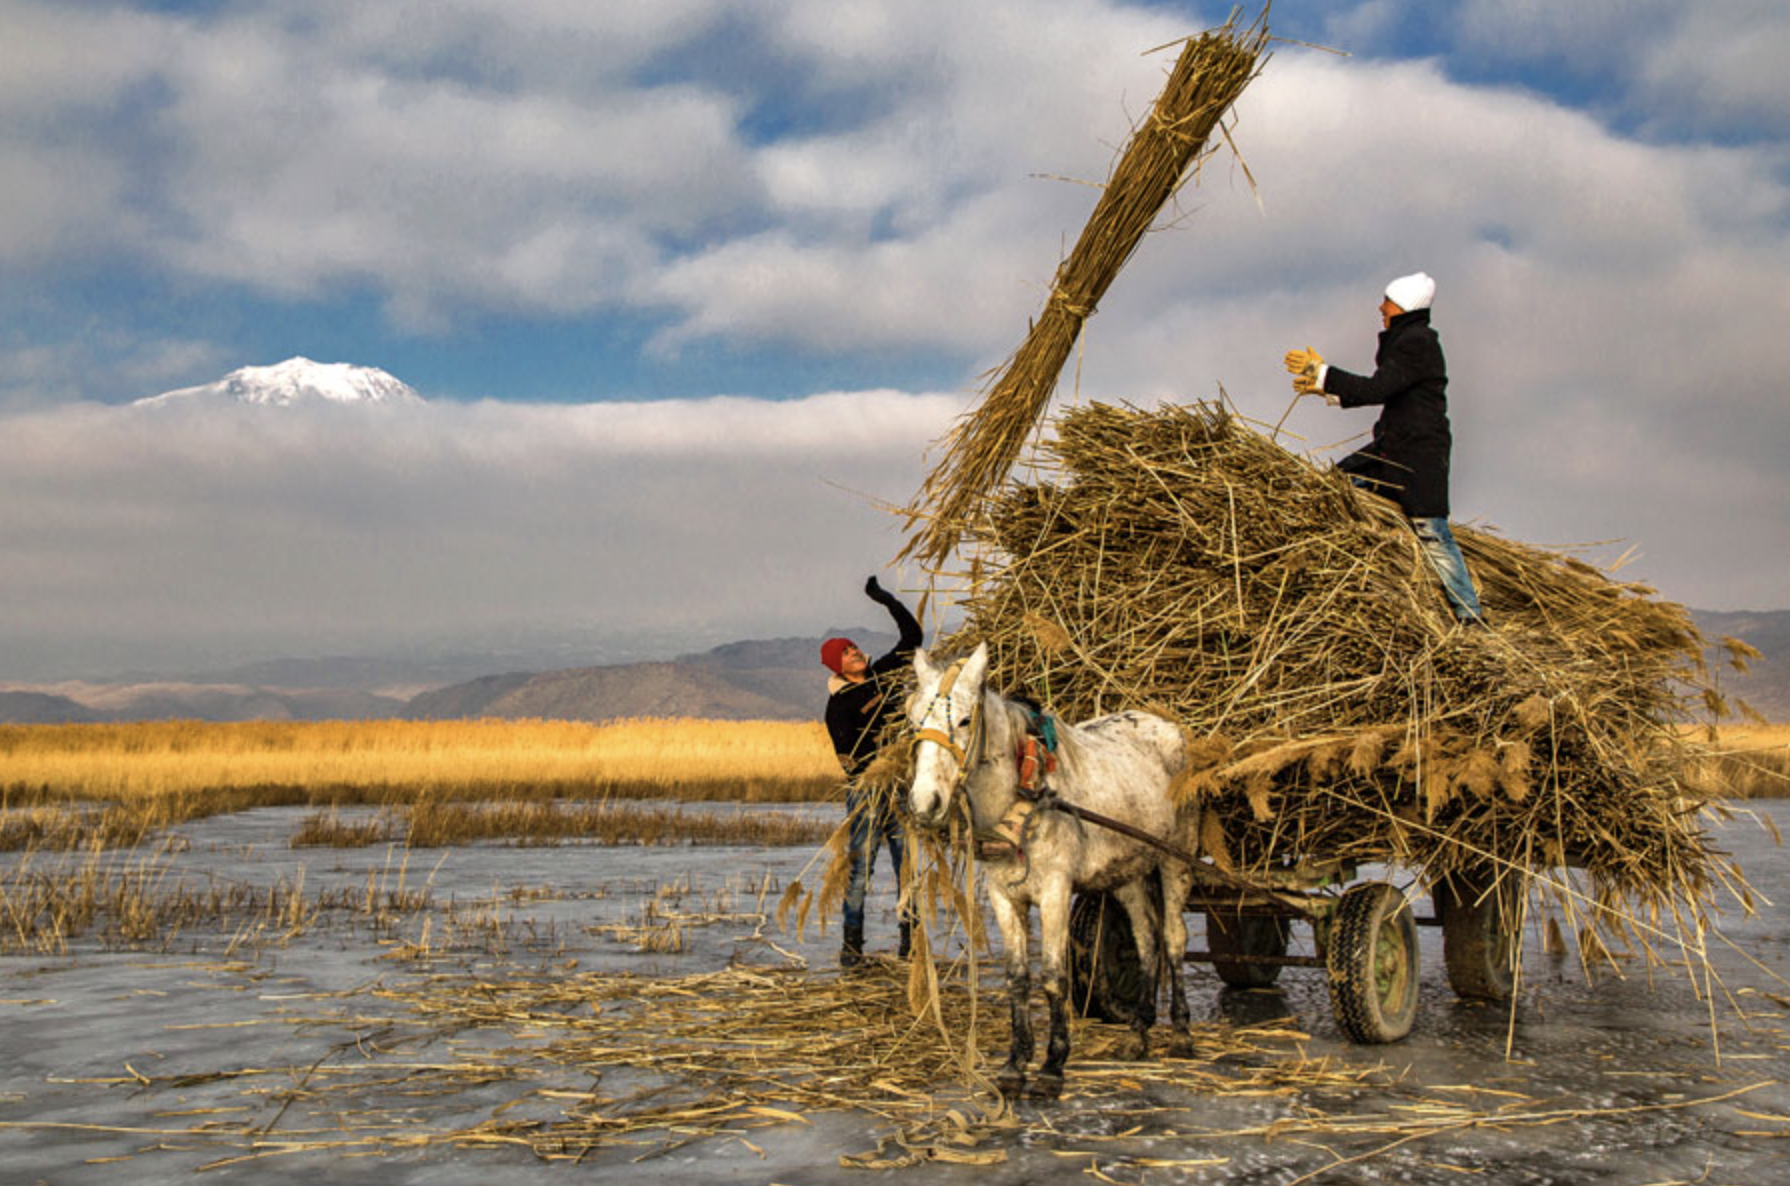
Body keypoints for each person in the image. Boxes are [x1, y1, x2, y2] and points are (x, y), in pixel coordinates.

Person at [1285, 271, 1484, 624]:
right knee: (1335, 486)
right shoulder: (1411, 341)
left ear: (1404, 306)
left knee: (1432, 531)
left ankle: (1470, 617)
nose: (1381, 307)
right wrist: (1326, 388)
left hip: (1419, 455)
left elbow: (1378, 388)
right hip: (1393, 450)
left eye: (1387, 301)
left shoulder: (1417, 343)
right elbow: (1385, 390)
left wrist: (1324, 374)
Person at [821, 576, 924, 967]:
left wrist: (886, 600)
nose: (856, 654)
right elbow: (850, 758)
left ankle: (910, 946)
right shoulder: (839, 706)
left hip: (900, 787)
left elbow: (912, 636)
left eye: (856, 649)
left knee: (909, 869)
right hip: (867, 792)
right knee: (861, 870)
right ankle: (852, 949)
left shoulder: (882, 673)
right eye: (847, 654)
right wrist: (884, 750)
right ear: (838, 666)